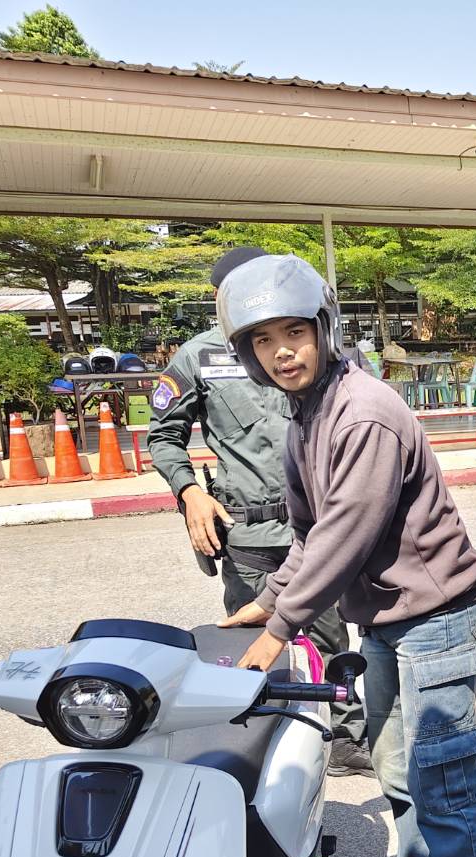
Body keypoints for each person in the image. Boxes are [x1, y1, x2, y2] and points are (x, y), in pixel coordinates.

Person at [214, 254, 476, 857]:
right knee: (395, 763)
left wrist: (281, 627)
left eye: (293, 333)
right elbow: (308, 534)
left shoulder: (364, 412)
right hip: (380, 615)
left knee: (444, 779)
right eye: (262, 340)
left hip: (437, 615)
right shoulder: (305, 415)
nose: (282, 352)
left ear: (324, 329)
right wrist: (265, 601)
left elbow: (347, 531)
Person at [148, 247, 370, 777]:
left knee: (328, 638)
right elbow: (164, 435)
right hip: (246, 532)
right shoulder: (199, 356)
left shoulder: (317, 345)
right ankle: (254, 742)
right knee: (251, 642)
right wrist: (189, 493)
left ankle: (344, 739)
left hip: (313, 530)